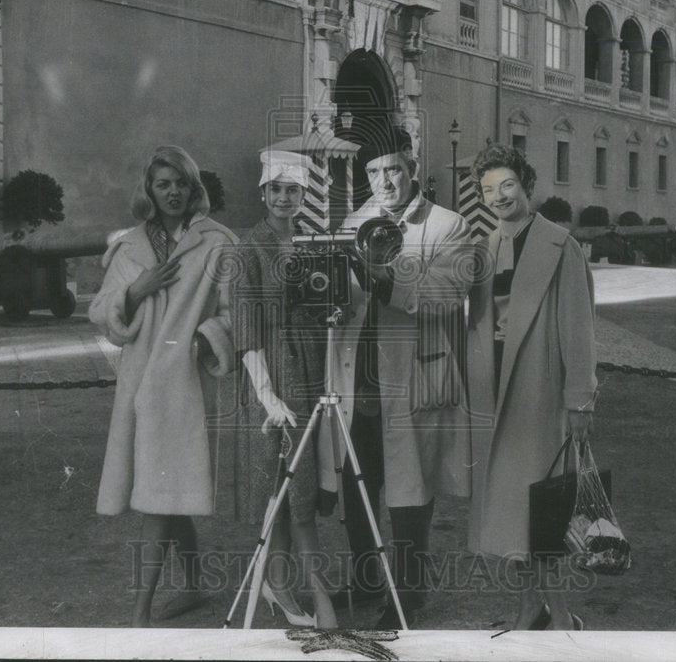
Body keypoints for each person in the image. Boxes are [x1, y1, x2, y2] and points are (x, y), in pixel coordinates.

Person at [322, 127, 475, 629]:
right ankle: (366, 582)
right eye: (373, 172)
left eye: (392, 169)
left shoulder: (448, 225)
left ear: (412, 166)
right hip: (358, 377)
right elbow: (342, 299)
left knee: (411, 490)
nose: (384, 181)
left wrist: (387, 277)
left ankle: (407, 594)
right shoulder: (355, 221)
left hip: (414, 375)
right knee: (357, 481)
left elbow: (448, 296)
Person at [89, 145, 237, 627]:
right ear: (149, 190)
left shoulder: (218, 242)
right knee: (171, 489)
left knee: (161, 492)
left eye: (180, 183)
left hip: (188, 385)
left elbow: (236, 313)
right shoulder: (130, 245)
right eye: (162, 184)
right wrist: (136, 290)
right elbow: (102, 311)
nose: (172, 192)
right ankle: (193, 588)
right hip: (141, 382)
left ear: (194, 188)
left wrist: (207, 337)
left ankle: (140, 611)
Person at [466, 144, 597, 631]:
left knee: (543, 512)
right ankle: (528, 608)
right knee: (506, 516)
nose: (499, 197)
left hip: (540, 390)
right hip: (492, 390)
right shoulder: (483, 248)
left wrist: (581, 398)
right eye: (488, 190)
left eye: (507, 186)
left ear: (526, 186)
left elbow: (578, 327)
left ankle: (562, 615)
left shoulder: (560, 246)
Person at [232, 150, 337, 629]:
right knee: (284, 490)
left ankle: (281, 585)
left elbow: (323, 304)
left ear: (304, 194)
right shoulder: (247, 247)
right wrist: (266, 395)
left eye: (292, 189)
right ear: (262, 193)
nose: (283, 197)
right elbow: (246, 327)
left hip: (311, 366)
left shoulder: (310, 241)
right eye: (275, 189)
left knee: (296, 489)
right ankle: (313, 597)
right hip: (271, 372)